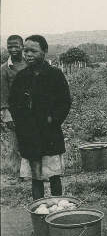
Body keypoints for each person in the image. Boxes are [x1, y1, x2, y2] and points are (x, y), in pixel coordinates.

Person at [8, 35, 71, 200]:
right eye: (26, 50)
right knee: (35, 176)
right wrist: (22, 123)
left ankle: (57, 207)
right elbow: (14, 103)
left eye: (33, 51)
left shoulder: (55, 75)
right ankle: (39, 207)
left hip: (50, 133)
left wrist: (53, 119)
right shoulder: (21, 77)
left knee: (54, 174)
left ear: (44, 51)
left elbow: (65, 101)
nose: (28, 54)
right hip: (29, 134)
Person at [1, 35, 28, 185]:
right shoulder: (4, 69)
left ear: (22, 46)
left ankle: (36, 172)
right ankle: (18, 174)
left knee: (33, 140)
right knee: (15, 143)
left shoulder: (29, 64)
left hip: (31, 111)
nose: (13, 49)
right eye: (10, 46)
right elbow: (3, 94)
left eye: (16, 46)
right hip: (14, 111)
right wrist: (6, 113)